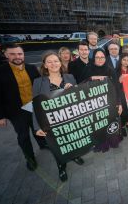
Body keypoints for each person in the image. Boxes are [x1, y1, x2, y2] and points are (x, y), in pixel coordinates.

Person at [0, 43, 47, 171]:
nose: (17, 56)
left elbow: (40, 87)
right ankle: (30, 158)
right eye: (12, 54)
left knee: (38, 129)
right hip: (16, 112)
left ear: (23, 55)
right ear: (6, 54)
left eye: (19, 54)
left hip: (34, 108)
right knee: (23, 136)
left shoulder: (31, 68)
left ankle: (43, 144)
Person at [32, 52, 84, 182]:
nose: (53, 64)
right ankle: (61, 166)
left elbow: (79, 97)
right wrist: (37, 126)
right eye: (49, 61)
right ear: (45, 65)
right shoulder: (38, 82)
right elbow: (35, 105)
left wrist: (73, 89)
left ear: (60, 63)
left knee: (72, 140)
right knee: (57, 146)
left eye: (56, 61)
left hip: (70, 118)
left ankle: (74, 155)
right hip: (51, 122)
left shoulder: (70, 77)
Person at [89, 49, 123, 152]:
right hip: (95, 104)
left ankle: (112, 141)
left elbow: (116, 87)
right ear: (94, 58)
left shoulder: (110, 70)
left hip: (110, 103)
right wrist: (92, 78)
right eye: (97, 57)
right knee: (99, 125)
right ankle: (101, 144)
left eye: (102, 57)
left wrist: (119, 103)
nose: (100, 59)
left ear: (105, 58)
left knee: (110, 123)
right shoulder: (88, 70)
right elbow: (82, 86)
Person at [116, 53, 128, 137]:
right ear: (120, 60)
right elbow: (114, 85)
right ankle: (123, 126)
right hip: (121, 94)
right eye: (124, 60)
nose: (126, 62)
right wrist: (119, 81)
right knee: (122, 111)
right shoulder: (116, 71)